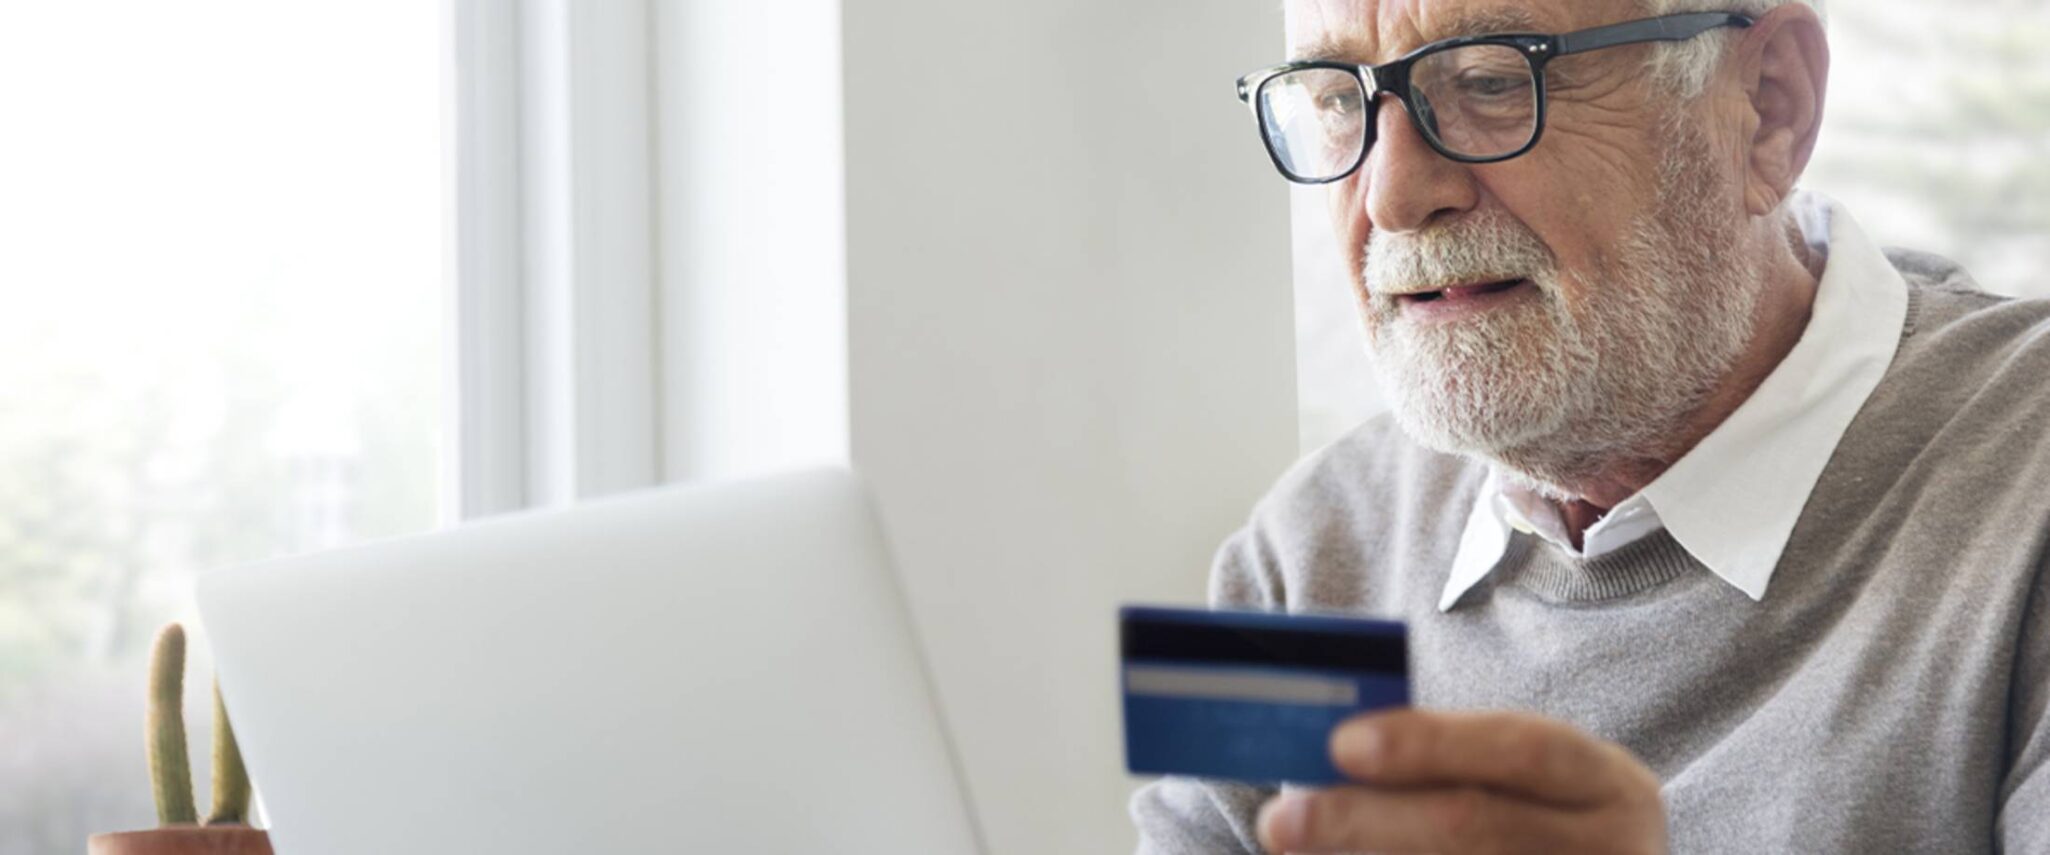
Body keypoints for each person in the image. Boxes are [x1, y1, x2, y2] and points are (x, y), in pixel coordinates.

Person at [1129, 0, 2050, 851]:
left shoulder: (2025, 487)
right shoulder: (1296, 560)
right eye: (1338, 100)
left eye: (1490, 80)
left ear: (1768, 108)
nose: (1393, 196)